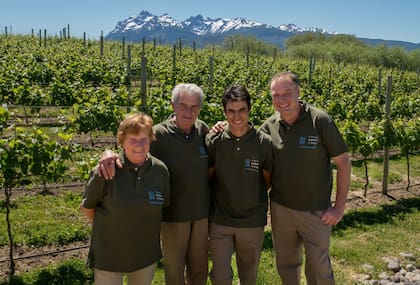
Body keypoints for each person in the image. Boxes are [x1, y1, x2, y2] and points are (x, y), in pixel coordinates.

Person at [98, 83, 210, 285]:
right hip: (173, 216)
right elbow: (134, 152)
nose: (189, 111)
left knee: (199, 269)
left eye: (194, 107)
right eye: (183, 105)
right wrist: (109, 154)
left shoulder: (202, 130)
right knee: (174, 271)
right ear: (173, 105)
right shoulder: (159, 135)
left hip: (201, 214)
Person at [260, 71, 351, 285]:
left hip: (316, 212)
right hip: (281, 210)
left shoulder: (319, 120)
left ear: (298, 92)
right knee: (286, 265)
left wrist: (338, 207)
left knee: (319, 269)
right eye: (276, 95)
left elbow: (343, 162)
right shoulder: (268, 127)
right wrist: (222, 126)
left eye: (287, 93)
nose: (281, 100)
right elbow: (246, 140)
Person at [80, 112, 170, 285]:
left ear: (151, 139)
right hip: (109, 255)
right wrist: (113, 227)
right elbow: (88, 207)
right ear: (122, 141)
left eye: (144, 139)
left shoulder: (160, 171)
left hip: (145, 254)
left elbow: (161, 209)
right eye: (133, 140)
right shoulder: (105, 170)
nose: (139, 145)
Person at [206, 85, 273, 285]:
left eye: (242, 110)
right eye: (231, 111)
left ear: (249, 109)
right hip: (220, 220)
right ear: (224, 112)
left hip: (251, 222)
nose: (237, 116)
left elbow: (267, 180)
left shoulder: (263, 143)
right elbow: (210, 176)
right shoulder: (214, 141)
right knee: (220, 275)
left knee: (249, 275)